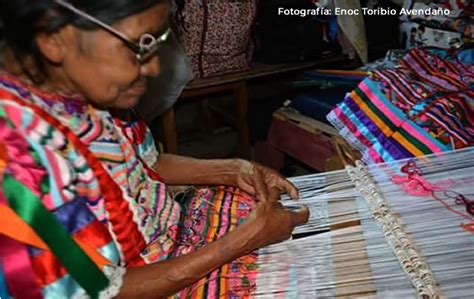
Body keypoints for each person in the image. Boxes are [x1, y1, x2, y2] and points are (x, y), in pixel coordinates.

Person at [0, 0, 309, 298]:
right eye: (138, 46)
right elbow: (100, 288)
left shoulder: (80, 85)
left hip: (166, 241)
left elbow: (146, 162)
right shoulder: (13, 160)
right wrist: (243, 240)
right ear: (53, 39)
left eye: (156, 41)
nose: (153, 66)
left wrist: (233, 169)